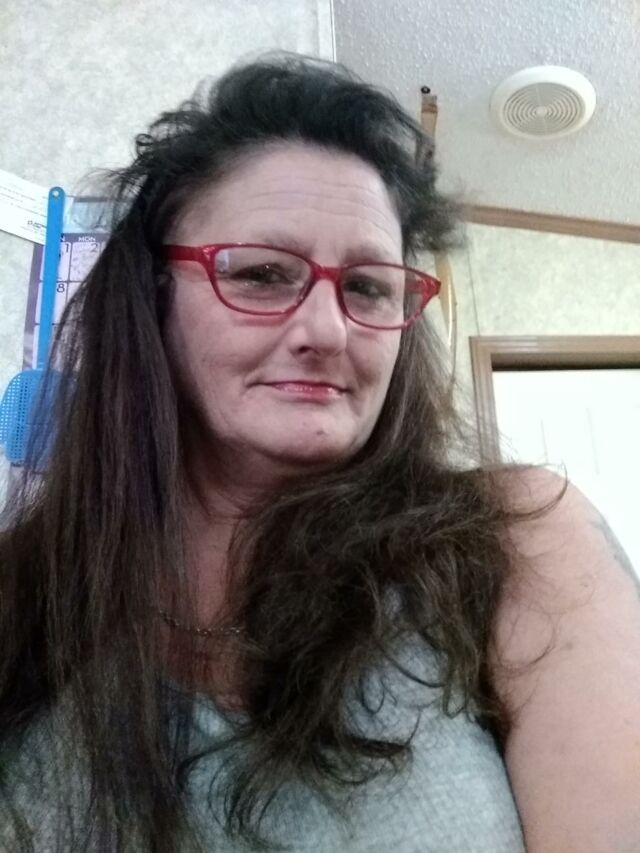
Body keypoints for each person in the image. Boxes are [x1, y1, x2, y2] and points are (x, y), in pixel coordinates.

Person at [1, 51, 639, 853]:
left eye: (368, 286)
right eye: (263, 274)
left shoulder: (518, 543)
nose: (328, 330)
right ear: (151, 299)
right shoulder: (23, 598)